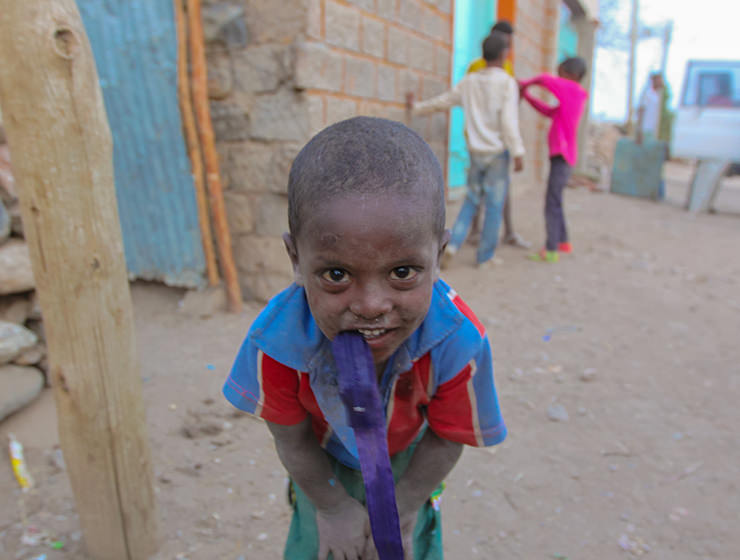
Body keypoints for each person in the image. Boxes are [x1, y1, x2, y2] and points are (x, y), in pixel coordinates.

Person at [223, 116, 507, 559]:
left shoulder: (457, 343)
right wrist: (332, 506)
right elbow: (292, 440)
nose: (372, 305)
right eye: (336, 275)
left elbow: (446, 437)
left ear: (440, 256)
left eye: (403, 272)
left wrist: (405, 506)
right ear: (296, 259)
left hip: (410, 468)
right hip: (321, 467)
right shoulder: (277, 344)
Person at [407, 33, 525, 268]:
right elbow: (509, 121)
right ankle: (485, 256)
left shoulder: (469, 82)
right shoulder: (507, 83)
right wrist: (518, 151)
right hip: (497, 154)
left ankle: (451, 245)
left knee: (471, 201)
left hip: (476, 152)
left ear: (483, 54)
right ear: (504, 54)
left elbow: (443, 101)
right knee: (493, 205)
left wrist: (416, 108)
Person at [466, 21, 531, 249]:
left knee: (500, 192)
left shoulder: (508, 68)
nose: (507, 49)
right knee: (478, 191)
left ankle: (508, 232)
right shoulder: (475, 68)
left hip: (498, 141)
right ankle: (475, 231)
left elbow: (508, 104)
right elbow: (471, 101)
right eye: (505, 43)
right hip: (483, 140)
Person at [519, 57, 589, 263]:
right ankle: (563, 242)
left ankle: (550, 249)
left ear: (572, 75)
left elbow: (546, 80)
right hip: (563, 157)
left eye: (561, 73)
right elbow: (548, 111)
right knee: (556, 200)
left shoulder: (573, 91)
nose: (558, 77)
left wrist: (524, 84)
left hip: (562, 156)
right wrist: (527, 96)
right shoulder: (571, 100)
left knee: (551, 202)